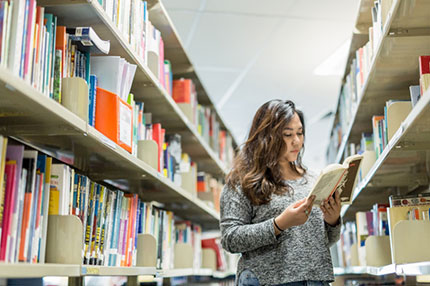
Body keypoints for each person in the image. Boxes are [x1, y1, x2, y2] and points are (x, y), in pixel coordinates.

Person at [220, 100, 342, 286]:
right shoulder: (242, 181)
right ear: (267, 137)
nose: (296, 141)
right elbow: (230, 239)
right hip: (266, 281)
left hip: (316, 280)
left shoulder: (314, 180)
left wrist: (332, 221)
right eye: (287, 134)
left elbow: (323, 242)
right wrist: (279, 224)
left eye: (300, 133)